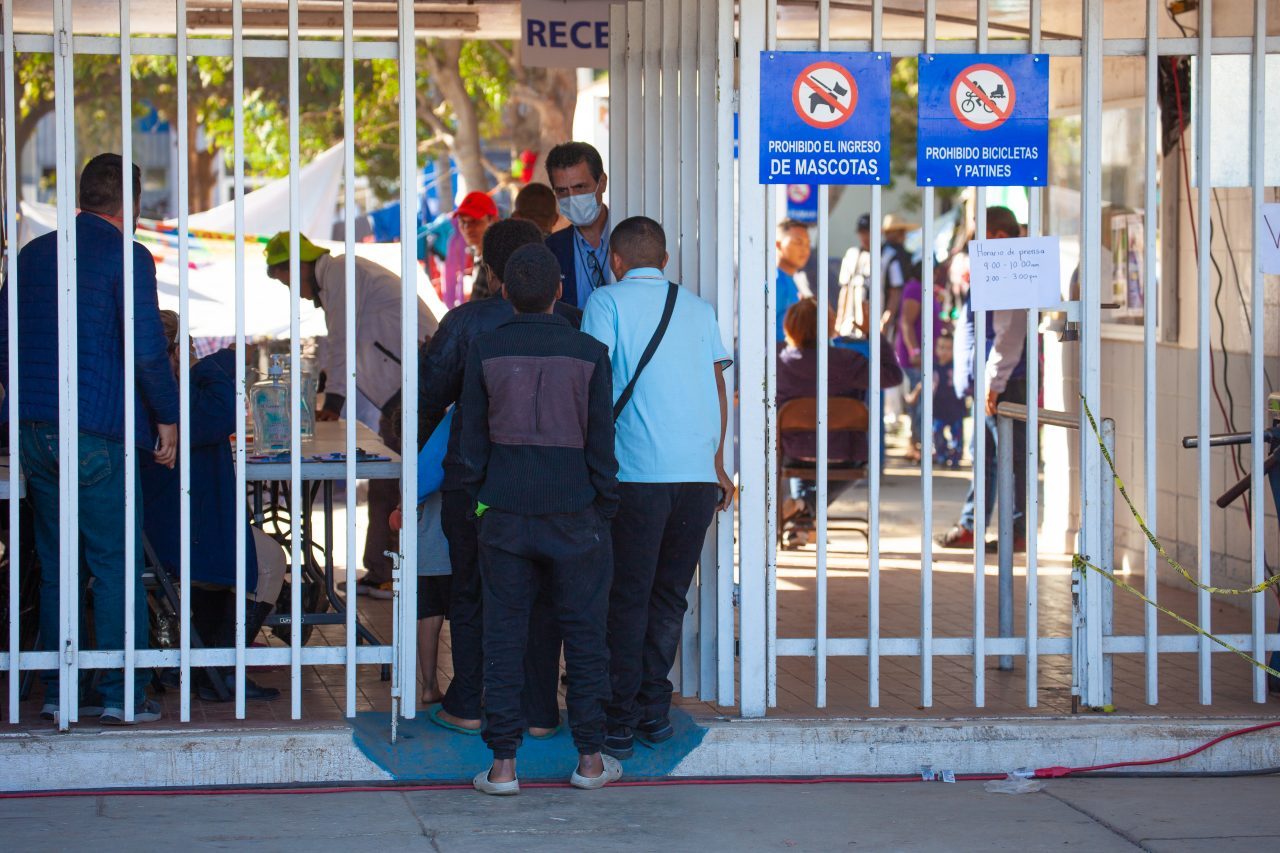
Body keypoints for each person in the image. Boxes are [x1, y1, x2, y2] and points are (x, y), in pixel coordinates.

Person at [0, 153, 179, 724]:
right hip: (98, 431)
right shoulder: (128, 258)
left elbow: (6, 340)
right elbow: (150, 351)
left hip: (34, 431)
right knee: (113, 563)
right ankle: (119, 693)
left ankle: (59, 690)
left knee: (57, 566)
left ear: (81, 195)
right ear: (130, 201)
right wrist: (167, 419)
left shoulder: (33, 255)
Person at [461, 243, 622, 795]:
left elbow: (470, 447)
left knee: (503, 638)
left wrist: (478, 506)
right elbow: (603, 444)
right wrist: (603, 505)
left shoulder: (484, 350)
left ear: (504, 290)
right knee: (585, 636)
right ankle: (591, 762)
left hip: (504, 514)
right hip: (576, 513)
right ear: (560, 291)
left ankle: (503, 767)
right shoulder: (590, 352)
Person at [418, 218, 581, 737]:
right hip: (555, 482)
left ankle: (467, 701)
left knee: (470, 590)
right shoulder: (573, 322)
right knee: (545, 595)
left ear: (492, 269)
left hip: (473, 481)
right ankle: (538, 711)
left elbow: (426, 399)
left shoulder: (465, 323)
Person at [581, 216, 735, 761]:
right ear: (665, 260)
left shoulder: (606, 302)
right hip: (695, 478)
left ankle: (618, 722)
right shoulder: (698, 309)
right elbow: (719, 385)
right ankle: (653, 710)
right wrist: (717, 464)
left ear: (617, 262)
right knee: (669, 598)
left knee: (626, 598)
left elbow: (591, 382)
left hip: (636, 476)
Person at [264, 231, 436, 599]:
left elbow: (341, 342)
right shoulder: (338, 280)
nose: (295, 291)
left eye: (288, 280)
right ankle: (380, 571)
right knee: (388, 481)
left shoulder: (341, 273)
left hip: (415, 382)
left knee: (398, 480)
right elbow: (336, 347)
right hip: (402, 385)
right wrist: (327, 388)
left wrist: (333, 403)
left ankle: (397, 574)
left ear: (300, 265)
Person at [141, 311, 282, 702]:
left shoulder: (133, 391)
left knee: (228, 561)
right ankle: (218, 669)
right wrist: (212, 363)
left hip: (167, 523)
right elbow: (220, 414)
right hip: (172, 531)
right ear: (169, 352)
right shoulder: (167, 396)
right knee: (269, 559)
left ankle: (206, 665)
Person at [935, 206, 1028, 552]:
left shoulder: (1009, 270)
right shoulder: (998, 269)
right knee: (986, 455)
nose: (975, 244)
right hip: (993, 382)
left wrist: (994, 383)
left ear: (1000, 237)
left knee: (1009, 457)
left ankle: (1013, 532)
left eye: (981, 235)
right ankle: (974, 525)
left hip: (1003, 383)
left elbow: (1009, 333)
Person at [777, 298, 903, 548]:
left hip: (794, 454)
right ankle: (805, 508)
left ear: (789, 328)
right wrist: (872, 334)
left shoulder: (779, 362)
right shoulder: (847, 360)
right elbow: (892, 375)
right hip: (843, 454)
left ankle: (802, 513)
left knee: (805, 451)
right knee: (841, 460)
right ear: (830, 326)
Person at [545, 142, 611, 308]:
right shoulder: (549, 250)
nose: (572, 197)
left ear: (602, 182)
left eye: (580, 187)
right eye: (562, 191)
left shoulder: (634, 240)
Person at [896, 262, 944, 463]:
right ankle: (919, 445)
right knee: (918, 403)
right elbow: (906, 322)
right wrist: (914, 350)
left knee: (920, 402)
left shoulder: (925, 289)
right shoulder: (915, 288)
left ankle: (917, 445)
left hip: (924, 355)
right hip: (915, 359)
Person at [452, 191, 500, 301]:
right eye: (462, 221)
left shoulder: (494, 261)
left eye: (474, 221)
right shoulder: (479, 254)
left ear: (493, 220)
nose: (467, 228)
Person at [930, 331, 966, 468]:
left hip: (955, 406)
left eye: (949, 348)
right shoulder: (933, 367)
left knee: (957, 434)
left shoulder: (958, 366)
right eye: (941, 347)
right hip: (938, 407)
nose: (944, 351)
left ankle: (955, 458)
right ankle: (941, 455)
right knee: (937, 432)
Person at [775, 219, 812, 343]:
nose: (805, 249)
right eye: (798, 242)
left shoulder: (796, 280)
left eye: (808, 244)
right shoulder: (774, 281)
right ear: (778, 245)